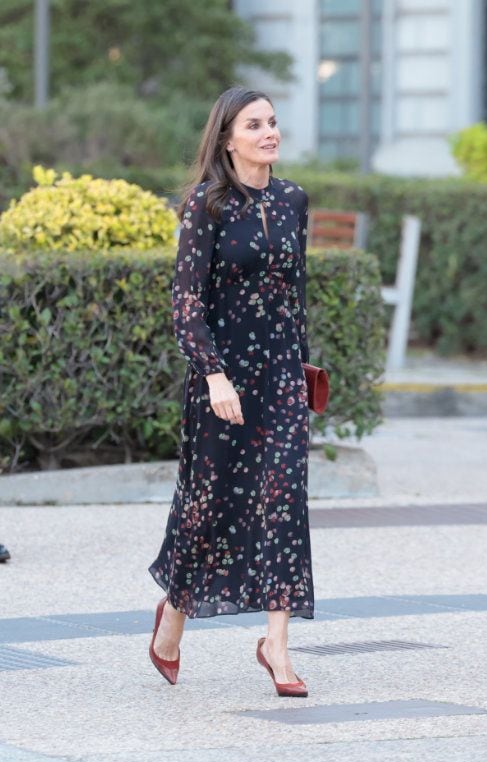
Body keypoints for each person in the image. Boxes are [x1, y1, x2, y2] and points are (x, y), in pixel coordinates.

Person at [148, 87, 314, 696]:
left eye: (272, 122)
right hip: (223, 379)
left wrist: (301, 369)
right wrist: (213, 373)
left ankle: (278, 647)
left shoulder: (294, 200)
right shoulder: (206, 205)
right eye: (255, 124)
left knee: (283, 503)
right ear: (227, 138)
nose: (269, 132)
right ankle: (172, 619)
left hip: (280, 378)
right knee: (209, 505)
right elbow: (186, 307)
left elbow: (296, 296)